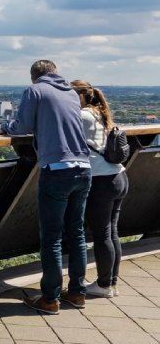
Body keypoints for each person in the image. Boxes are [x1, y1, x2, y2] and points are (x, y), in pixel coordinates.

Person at [1, 60, 91, 315]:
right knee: (77, 234)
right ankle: (77, 293)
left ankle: (50, 299)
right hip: (83, 169)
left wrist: (5, 127)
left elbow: (22, 126)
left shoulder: (35, 91)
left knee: (52, 238)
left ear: (34, 77)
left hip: (57, 170)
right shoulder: (71, 92)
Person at [72, 80, 128, 298]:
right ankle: (110, 283)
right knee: (111, 232)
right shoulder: (100, 113)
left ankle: (104, 286)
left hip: (101, 180)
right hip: (119, 175)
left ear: (81, 96)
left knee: (102, 233)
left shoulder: (82, 116)